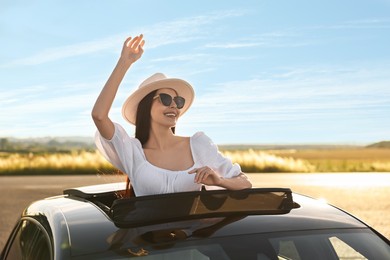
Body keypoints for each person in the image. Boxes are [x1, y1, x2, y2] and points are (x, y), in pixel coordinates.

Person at [92, 34, 252, 196]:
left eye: (179, 101)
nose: (174, 105)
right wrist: (124, 63)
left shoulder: (198, 145)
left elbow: (245, 183)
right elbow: (99, 115)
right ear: (146, 106)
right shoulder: (132, 151)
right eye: (166, 99)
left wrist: (219, 180)